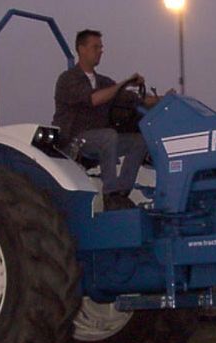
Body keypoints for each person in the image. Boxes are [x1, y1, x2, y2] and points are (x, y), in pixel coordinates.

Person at [52, 29, 163, 210]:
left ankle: (122, 193)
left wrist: (163, 99)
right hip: (75, 140)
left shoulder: (103, 82)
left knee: (139, 141)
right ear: (81, 49)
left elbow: (134, 99)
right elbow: (94, 99)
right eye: (95, 47)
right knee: (108, 136)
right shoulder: (68, 79)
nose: (100, 51)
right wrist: (124, 83)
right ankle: (110, 194)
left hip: (101, 140)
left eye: (101, 47)